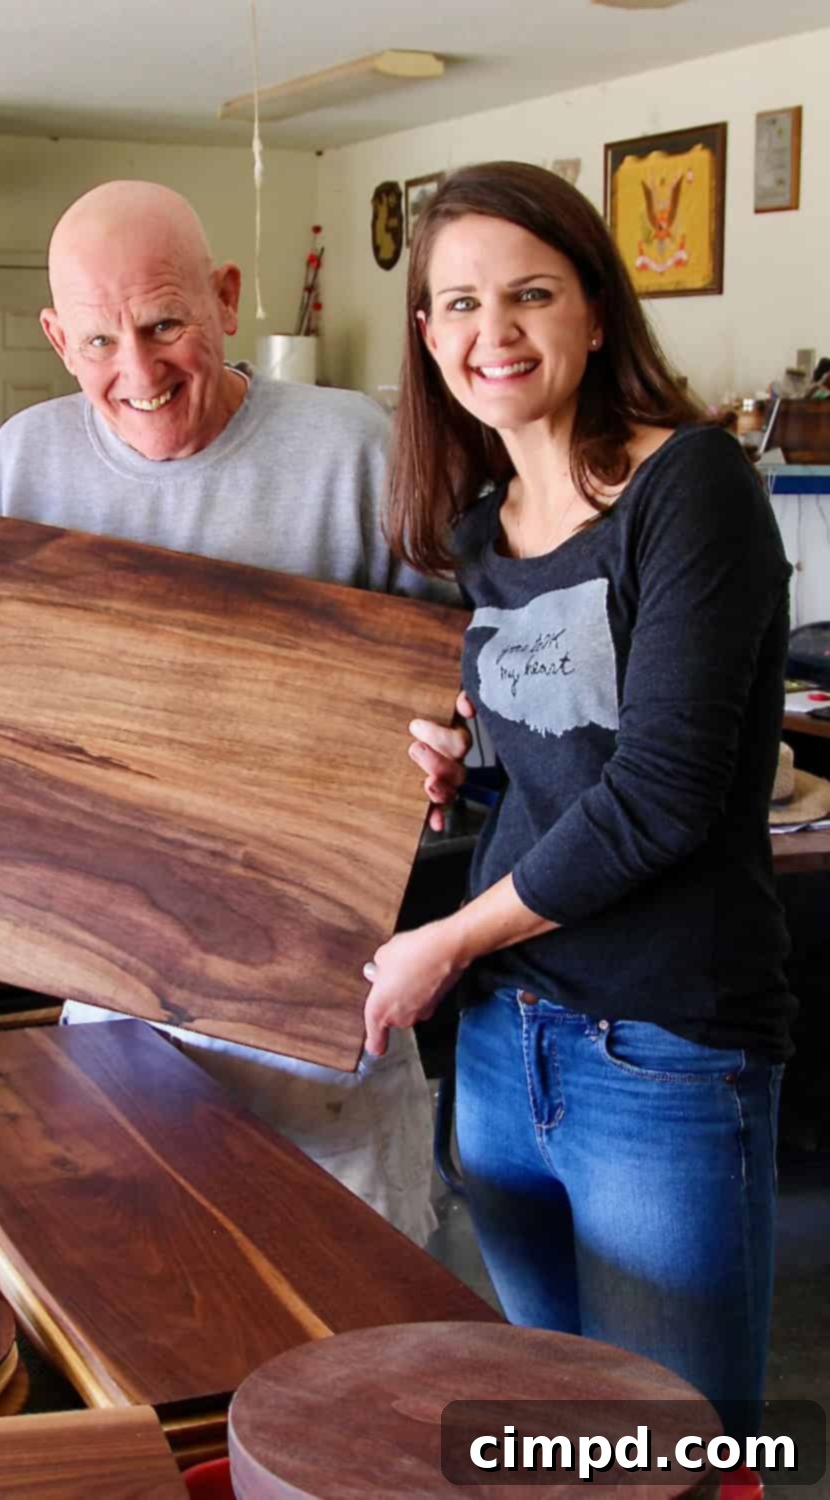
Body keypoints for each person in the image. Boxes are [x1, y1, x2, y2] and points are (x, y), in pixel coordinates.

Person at [0, 180, 463, 1248]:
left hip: (322, 1017)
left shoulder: (355, 450)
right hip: (114, 1010)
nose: (136, 369)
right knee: (148, 1306)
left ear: (223, 299)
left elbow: (466, 678)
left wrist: (450, 750)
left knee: (352, 1341)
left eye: (166, 322)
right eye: (96, 340)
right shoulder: (26, 463)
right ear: (53, 336)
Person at [362, 160, 793, 1442]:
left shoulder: (692, 488)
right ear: (429, 335)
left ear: (595, 311)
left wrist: (444, 940)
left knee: (676, 1442)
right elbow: (550, 765)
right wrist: (465, 766)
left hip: (660, 1046)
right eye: (458, 305)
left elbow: (661, 794)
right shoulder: (487, 524)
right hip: (510, 1039)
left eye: (529, 295)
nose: (493, 333)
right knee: (561, 1427)